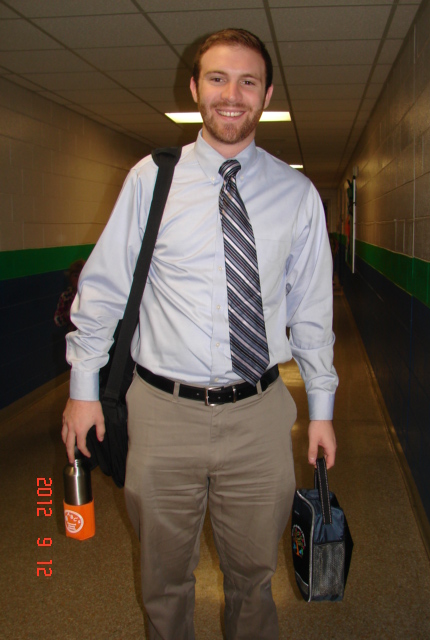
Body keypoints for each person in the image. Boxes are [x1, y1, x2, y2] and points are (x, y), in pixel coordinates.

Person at [62, 28, 338, 640]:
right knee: (163, 581)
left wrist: (321, 410)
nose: (231, 95)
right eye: (218, 78)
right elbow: (103, 290)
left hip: (260, 414)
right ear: (194, 87)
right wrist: (83, 391)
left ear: (266, 94)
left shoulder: (296, 195)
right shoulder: (151, 179)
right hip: (163, 413)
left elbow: (312, 312)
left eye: (247, 81)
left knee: (253, 578)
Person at [53, 259, 85, 330]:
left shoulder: (91, 295)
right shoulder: (66, 296)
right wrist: (70, 313)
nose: (78, 279)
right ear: (70, 278)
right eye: (75, 276)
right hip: (73, 333)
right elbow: (57, 321)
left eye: (81, 275)